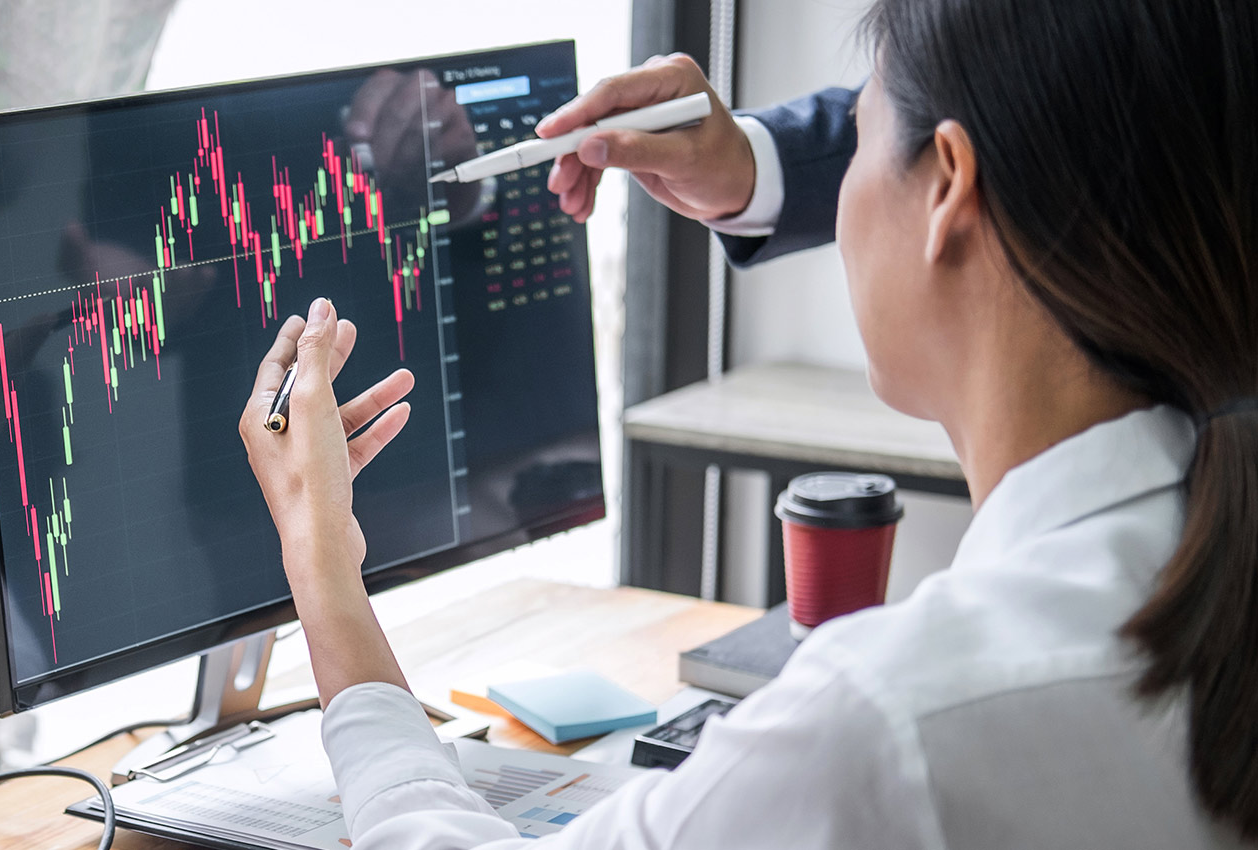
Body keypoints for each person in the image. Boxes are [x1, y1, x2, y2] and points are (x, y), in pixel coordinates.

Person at [237, 0, 1258, 846]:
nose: (844, 201)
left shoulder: (882, 721)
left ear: (946, 186)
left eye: (857, 139)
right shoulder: (1196, 561)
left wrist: (321, 562)